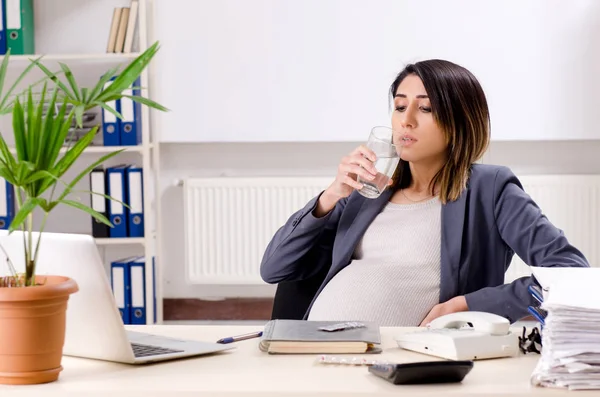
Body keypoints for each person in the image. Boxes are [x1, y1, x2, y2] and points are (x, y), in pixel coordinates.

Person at [259, 59, 589, 327]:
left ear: (460, 120)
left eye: (426, 109)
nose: (407, 121)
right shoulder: (367, 191)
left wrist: (468, 304)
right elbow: (275, 269)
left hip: (405, 364)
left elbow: (571, 276)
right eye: (400, 107)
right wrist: (330, 196)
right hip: (312, 356)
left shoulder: (491, 189)